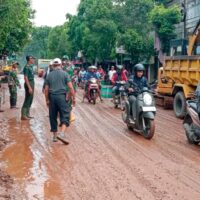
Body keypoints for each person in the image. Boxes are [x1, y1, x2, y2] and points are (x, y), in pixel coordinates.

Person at [45, 58, 76, 143]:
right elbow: (70, 87)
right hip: (62, 97)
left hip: (52, 97)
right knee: (65, 115)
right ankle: (61, 134)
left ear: (53, 66)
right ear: (61, 65)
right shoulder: (65, 74)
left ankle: (55, 136)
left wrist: (47, 100)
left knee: (53, 116)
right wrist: (73, 98)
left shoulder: (49, 75)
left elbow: (46, 89)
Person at [21, 55, 35, 120]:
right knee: (27, 99)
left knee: (30, 99)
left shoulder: (31, 67)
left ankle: (27, 114)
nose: (33, 60)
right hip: (28, 83)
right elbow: (25, 77)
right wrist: (29, 87)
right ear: (29, 59)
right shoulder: (26, 67)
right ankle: (23, 115)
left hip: (32, 82)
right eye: (32, 58)